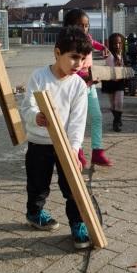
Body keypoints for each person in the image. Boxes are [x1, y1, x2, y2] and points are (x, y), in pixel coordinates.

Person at [19, 26, 92, 249]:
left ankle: (78, 223)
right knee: (37, 184)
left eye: (82, 59)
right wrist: (35, 116)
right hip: (39, 143)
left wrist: (74, 147)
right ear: (57, 53)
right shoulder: (39, 77)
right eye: (73, 58)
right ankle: (34, 213)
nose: (78, 64)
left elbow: (79, 120)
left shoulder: (78, 84)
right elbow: (26, 107)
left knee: (71, 187)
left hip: (66, 146)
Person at [63, 9, 113, 167]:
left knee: (97, 117)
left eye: (86, 26)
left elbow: (94, 44)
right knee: (77, 121)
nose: (84, 29)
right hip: (75, 87)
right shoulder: (67, 44)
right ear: (70, 26)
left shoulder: (87, 38)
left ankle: (97, 151)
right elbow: (65, 68)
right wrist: (83, 77)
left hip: (90, 86)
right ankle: (77, 152)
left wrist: (103, 47)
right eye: (80, 26)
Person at [101, 33, 126, 132]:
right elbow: (106, 58)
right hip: (109, 81)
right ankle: (117, 120)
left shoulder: (123, 53)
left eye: (120, 43)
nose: (118, 45)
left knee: (119, 102)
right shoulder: (109, 54)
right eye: (115, 43)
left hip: (119, 81)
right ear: (111, 44)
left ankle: (116, 122)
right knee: (112, 105)